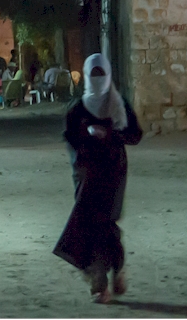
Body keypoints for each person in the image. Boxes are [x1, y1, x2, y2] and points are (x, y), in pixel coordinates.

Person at [53, 53, 143, 304]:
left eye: (101, 74)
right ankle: (103, 280)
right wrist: (87, 134)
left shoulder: (118, 104)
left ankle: (110, 272)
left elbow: (135, 135)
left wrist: (110, 134)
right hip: (86, 173)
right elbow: (69, 137)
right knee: (94, 223)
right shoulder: (78, 109)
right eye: (93, 74)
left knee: (105, 221)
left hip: (113, 172)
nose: (98, 79)